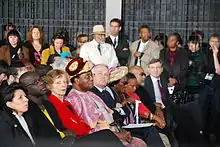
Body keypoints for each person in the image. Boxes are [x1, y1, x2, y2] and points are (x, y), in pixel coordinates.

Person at [65, 58, 147, 147]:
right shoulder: (73, 99)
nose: (92, 79)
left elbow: (110, 115)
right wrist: (116, 135)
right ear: (77, 80)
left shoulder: (90, 94)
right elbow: (86, 129)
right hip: (100, 139)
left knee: (141, 142)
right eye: (87, 77)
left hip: (113, 132)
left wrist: (121, 131)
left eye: (91, 76)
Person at [45, 69, 91, 136]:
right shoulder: (51, 104)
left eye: (65, 82)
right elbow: (69, 126)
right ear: (50, 86)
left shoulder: (66, 102)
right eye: (58, 83)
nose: (63, 85)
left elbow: (78, 120)